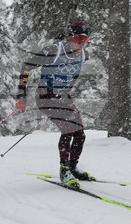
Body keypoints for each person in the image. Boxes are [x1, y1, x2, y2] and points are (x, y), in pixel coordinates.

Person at [16, 20, 95, 187]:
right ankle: (64, 170)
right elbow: (26, 66)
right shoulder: (54, 50)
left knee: (80, 134)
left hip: (63, 97)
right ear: (70, 37)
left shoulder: (83, 55)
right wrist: (21, 95)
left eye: (85, 40)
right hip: (46, 96)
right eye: (78, 39)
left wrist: (66, 91)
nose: (81, 43)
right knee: (68, 129)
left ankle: (72, 168)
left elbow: (74, 75)